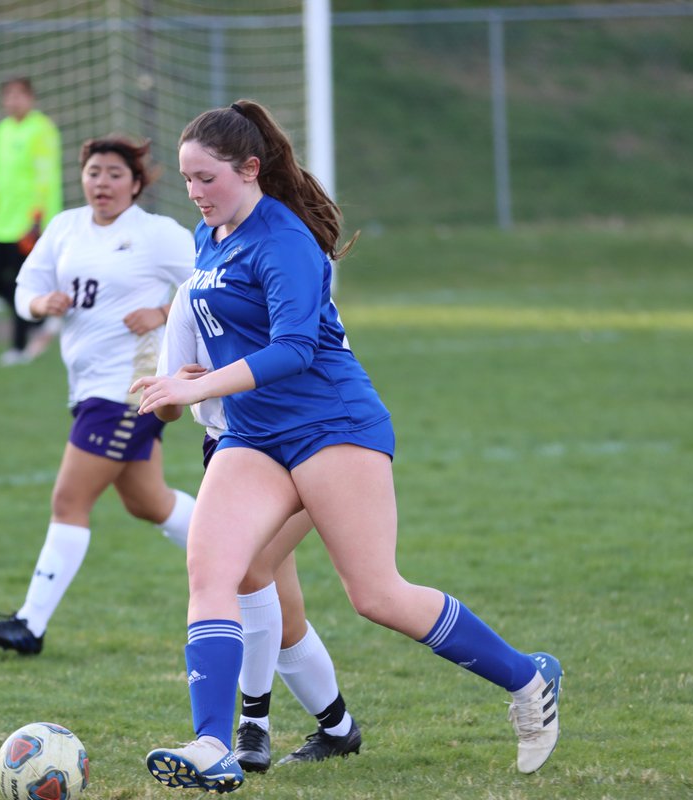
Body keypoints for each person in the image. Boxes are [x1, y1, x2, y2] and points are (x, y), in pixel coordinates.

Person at [132, 100, 563, 793]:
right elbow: (239, 328)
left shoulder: (284, 241)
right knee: (214, 572)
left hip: (333, 424)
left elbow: (297, 348)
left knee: (376, 594)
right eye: (186, 180)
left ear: (250, 170)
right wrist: (193, 377)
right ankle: (213, 744)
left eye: (206, 178)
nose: (195, 193)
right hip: (254, 434)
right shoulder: (210, 234)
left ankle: (528, 677)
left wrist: (201, 385)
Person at [0, 135, 196, 655]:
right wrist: (39, 303)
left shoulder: (158, 235)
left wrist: (162, 314)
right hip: (87, 385)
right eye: (94, 172)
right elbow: (26, 289)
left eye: (116, 173)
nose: (103, 182)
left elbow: (215, 283)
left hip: (128, 390)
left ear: (136, 184)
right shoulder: (66, 227)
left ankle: (30, 625)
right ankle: (239, 557)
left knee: (69, 500)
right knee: (147, 501)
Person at [156, 279, 362, 772]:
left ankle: (253, 726)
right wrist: (177, 391)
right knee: (282, 616)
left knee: (250, 569)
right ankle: (338, 728)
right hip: (232, 457)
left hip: (311, 449)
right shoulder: (192, 295)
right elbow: (164, 404)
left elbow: (328, 367)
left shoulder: (291, 281)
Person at [0, 76, 63, 367]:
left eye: (19, 95)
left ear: (31, 98)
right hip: (1, 220)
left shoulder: (42, 128)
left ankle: (19, 348)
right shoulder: (2, 130)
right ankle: (42, 316)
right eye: (8, 95)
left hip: (27, 221)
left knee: (22, 281)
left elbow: (47, 177)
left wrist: (37, 220)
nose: (14, 100)